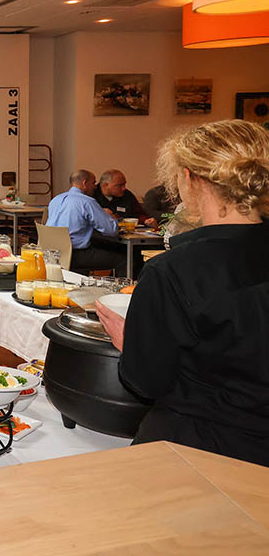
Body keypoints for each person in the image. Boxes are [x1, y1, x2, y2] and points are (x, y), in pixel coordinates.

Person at [95, 120, 269, 467]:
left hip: (200, 450)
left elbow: (146, 382)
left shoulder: (173, 270)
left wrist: (132, 344)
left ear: (189, 179)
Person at [47, 169, 125, 272]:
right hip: (75, 254)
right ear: (84, 183)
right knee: (124, 259)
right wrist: (110, 216)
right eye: (93, 183)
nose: (95, 187)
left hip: (52, 253)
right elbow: (111, 230)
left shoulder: (55, 199)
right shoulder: (87, 202)